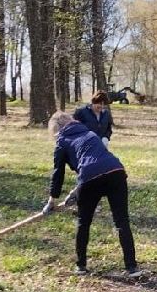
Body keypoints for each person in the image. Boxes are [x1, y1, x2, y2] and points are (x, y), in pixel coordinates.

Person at [42, 112, 142, 277]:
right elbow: (94, 161)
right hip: (116, 171)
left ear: (56, 129)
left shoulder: (62, 141)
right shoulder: (89, 133)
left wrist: (51, 200)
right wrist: (76, 191)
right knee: (122, 221)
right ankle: (132, 267)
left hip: (90, 179)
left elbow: (58, 173)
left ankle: (81, 266)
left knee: (84, 222)